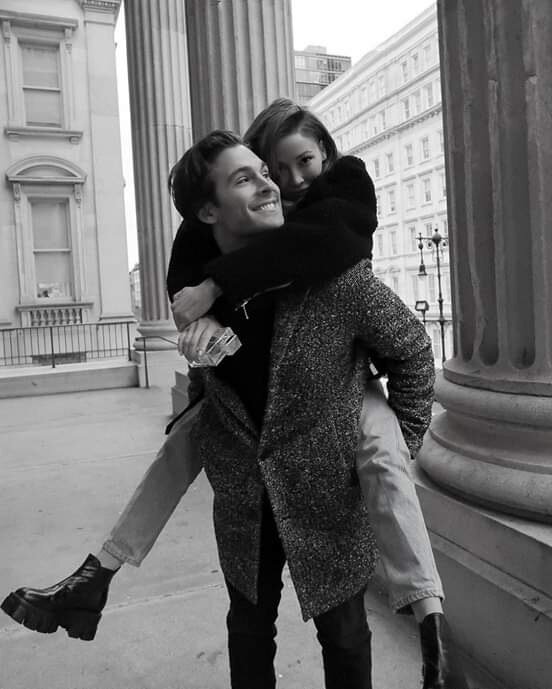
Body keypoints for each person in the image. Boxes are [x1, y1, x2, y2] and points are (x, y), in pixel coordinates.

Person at [1, 112, 466, 688]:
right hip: (244, 497)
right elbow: (211, 358)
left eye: (272, 171)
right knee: (247, 630)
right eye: (252, 176)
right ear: (208, 213)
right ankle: (97, 575)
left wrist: (403, 439)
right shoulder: (207, 293)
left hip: (326, 497)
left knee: (345, 638)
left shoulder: (337, 272)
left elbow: (414, 352)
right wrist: (203, 357)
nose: (276, 183)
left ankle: (433, 632)